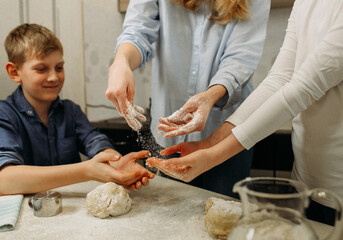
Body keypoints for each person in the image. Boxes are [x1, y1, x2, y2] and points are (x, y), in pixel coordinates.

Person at [147, 0, 343, 225]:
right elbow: (279, 79)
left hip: (339, 183)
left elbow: (302, 89)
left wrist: (214, 156)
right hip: (306, 177)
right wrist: (209, 143)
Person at [106, 0, 270, 197]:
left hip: (227, 135)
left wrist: (210, 96)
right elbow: (138, 30)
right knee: (174, 216)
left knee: (226, 217)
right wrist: (121, 62)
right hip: (167, 134)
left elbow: (240, 58)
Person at [0, 23, 154, 196]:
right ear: (14, 72)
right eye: (41, 69)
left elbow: (95, 141)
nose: (53, 77)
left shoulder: (70, 111)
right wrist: (86, 170)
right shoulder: (4, 114)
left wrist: (116, 162)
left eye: (59, 67)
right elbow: (4, 180)